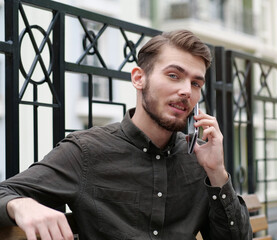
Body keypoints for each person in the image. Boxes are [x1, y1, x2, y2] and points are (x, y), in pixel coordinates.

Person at [0, 29, 251, 240]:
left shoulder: (198, 159)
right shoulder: (86, 151)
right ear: (139, 78)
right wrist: (21, 204)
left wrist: (217, 172)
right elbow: (5, 191)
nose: (186, 90)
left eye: (196, 83)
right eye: (174, 75)